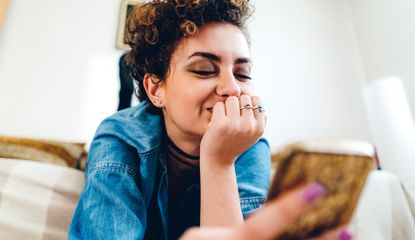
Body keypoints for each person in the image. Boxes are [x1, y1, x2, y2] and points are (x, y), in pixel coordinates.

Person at [69, 0, 350, 239]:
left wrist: (220, 161)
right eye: (204, 70)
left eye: (242, 74)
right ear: (156, 88)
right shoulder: (119, 136)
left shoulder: (249, 141)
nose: (233, 88)